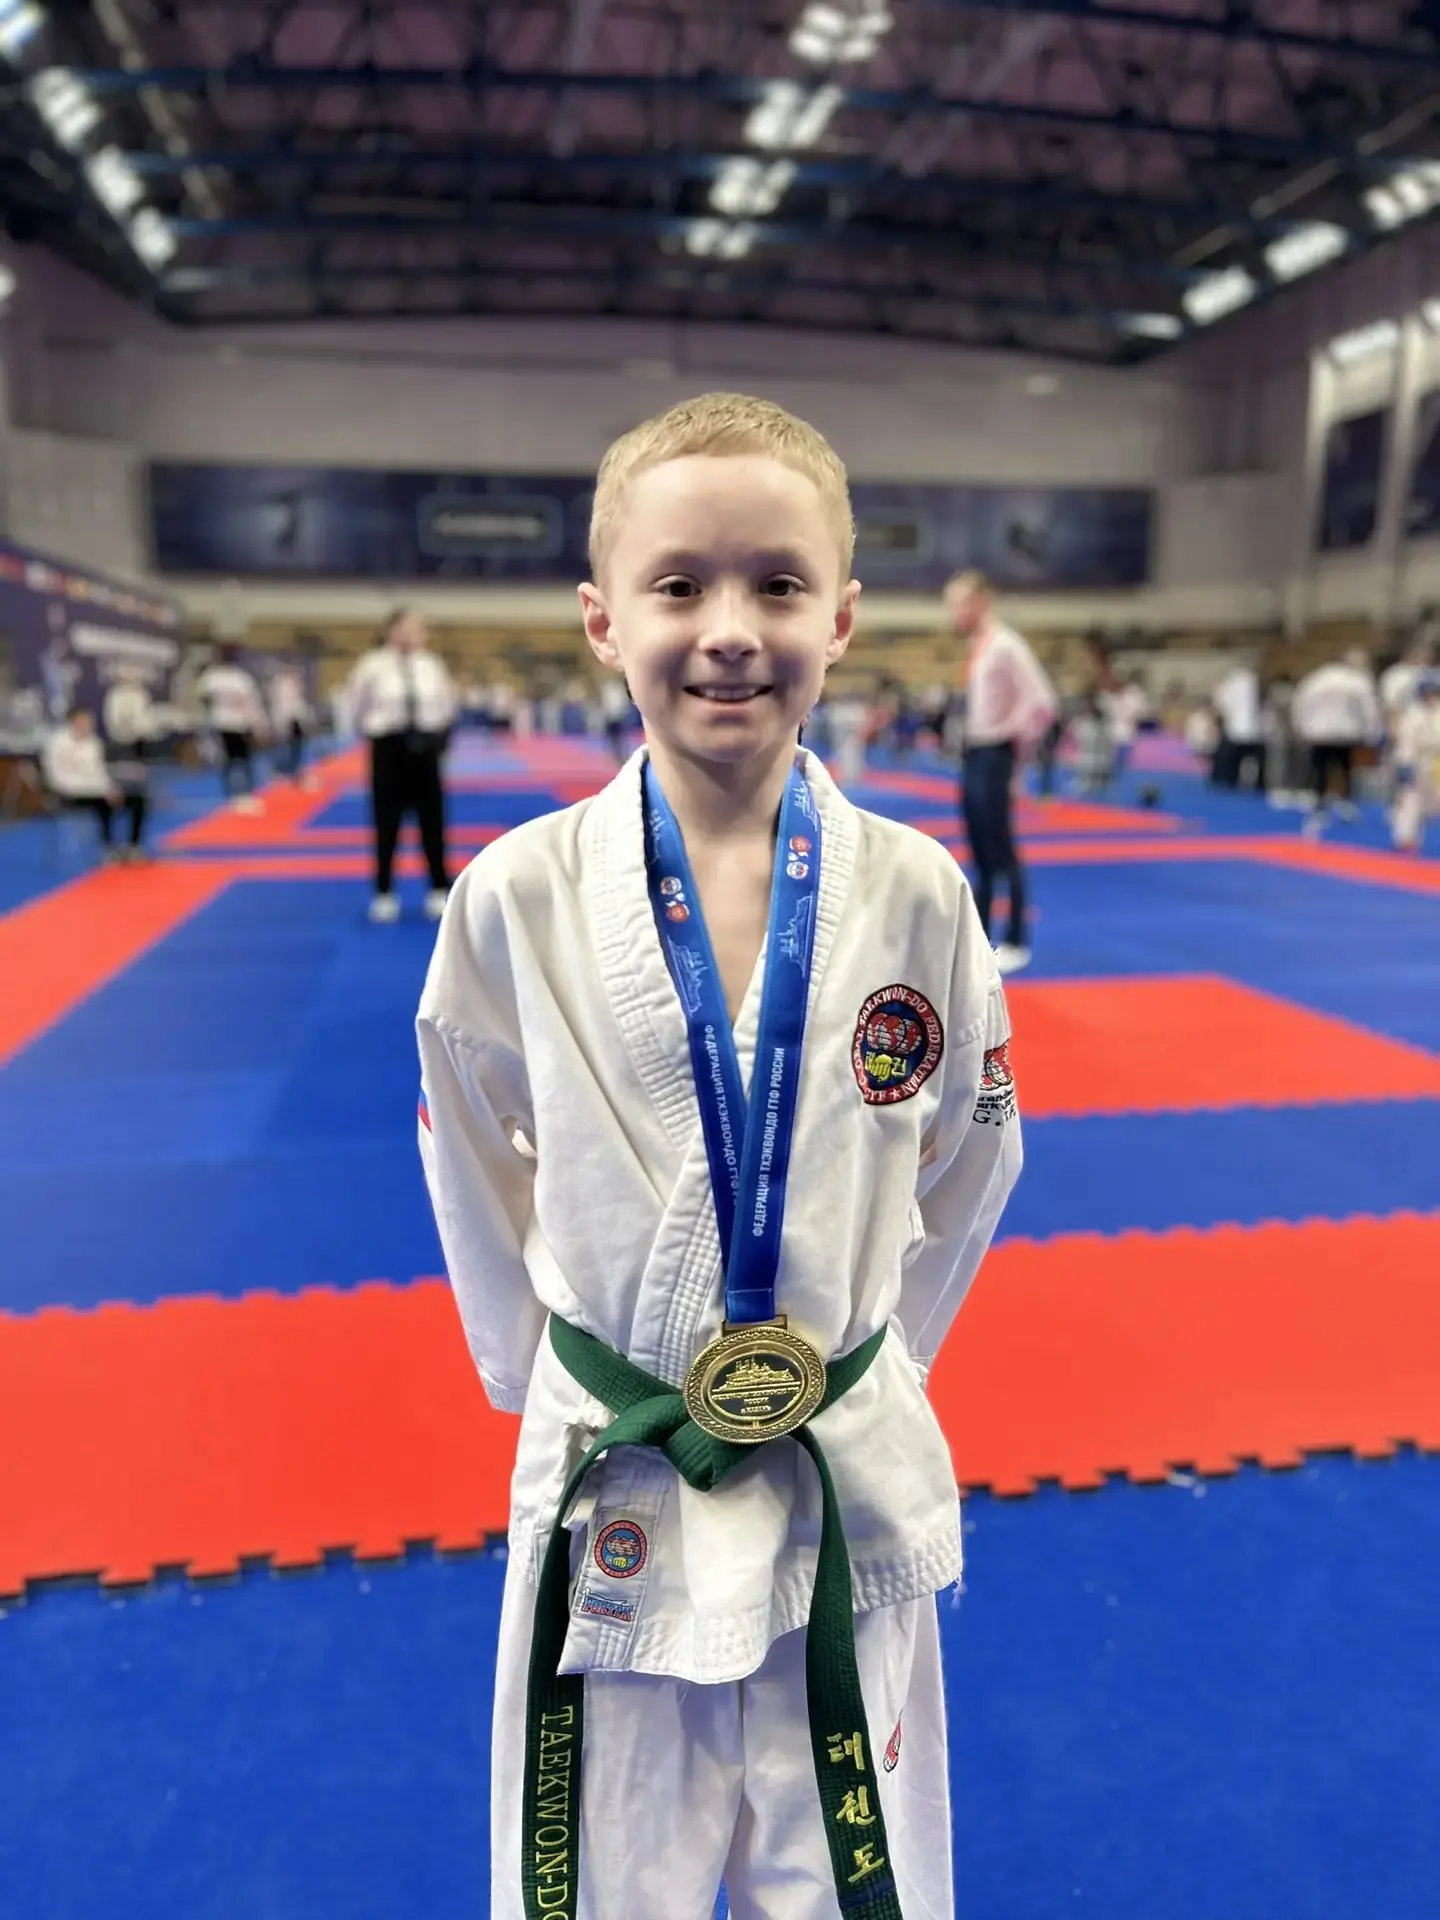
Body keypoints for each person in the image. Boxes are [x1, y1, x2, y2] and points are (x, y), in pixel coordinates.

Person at [416, 392, 1022, 1920]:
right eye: (680, 584)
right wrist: (533, 1369)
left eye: (779, 584)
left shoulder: (917, 893)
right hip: (621, 1463)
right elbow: (467, 1145)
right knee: (605, 1881)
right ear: (603, 621)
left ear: (844, 617)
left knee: (857, 1873)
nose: (731, 630)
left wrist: (876, 1357)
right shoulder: (516, 895)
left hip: (838, 1460)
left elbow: (975, 1149)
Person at [947, 569, 1057, 975]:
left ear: (980, 602)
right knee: (979, 849)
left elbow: (1042, 703)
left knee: (1001, 846)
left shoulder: (1006, 645)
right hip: (976, 751)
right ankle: (980, 938)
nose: (953, 613)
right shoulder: (979, 648)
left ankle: (1015, 938)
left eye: (958, 604)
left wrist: (1016, 751)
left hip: (996, 750)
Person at [345, 607, 457, 922]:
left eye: (416, 628)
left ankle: (438, 887)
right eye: (403, 628)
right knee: (387, 821)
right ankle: (384, 892)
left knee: (432, 820)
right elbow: (355, 707)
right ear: (390, 631)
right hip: (389, 747)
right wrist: (370, 735)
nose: (410, 634)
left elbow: (446, 705)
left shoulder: (431, 664)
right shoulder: (372, 665)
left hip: (426, 746)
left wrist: (439, 739)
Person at [1293, 645, 1383, 837]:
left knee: (1320, 770)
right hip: (1346, 732)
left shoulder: (1316, 678)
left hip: (1318, 733)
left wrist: (1302, 728)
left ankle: (1319, 805)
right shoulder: (1357, 681)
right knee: (1345, 768)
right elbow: (1369, 708)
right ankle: (1345, 803)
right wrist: (1371, 732)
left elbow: (1300, 703)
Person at [41, 708, 148, 860]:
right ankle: (108, 847)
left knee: (137, 799)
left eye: (90, 722)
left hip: (96, 790)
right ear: (73, 722)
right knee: (104, 804)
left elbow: (99, 772)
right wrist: (96, 791)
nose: (88, 725)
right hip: (69, 792)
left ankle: (133, 846)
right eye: (84, 722)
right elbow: (57, 777)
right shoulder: (58, 743)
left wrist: (110, 789)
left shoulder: (94, 742)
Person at [197, 643, 268, 811]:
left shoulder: (213, 677)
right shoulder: (238, 678)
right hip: (231, 723)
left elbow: (203, 699)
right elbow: (252, 704)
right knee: (238, 760)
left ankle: (235, 793)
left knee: (233, 760)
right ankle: (239, 793)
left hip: (227, 723)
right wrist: (258, 725)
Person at [1390, 672, 1440, 852]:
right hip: (1418, 762)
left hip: (1437, 763)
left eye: (1434, 691)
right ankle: (1405, 838)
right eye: (1428, 691)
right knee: (1410, 800)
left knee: (1434, 803)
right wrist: (1406, 763)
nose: (1431, 695)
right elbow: (1406, 741)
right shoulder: (1412, 715)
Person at [1211, 654, 1265, 790]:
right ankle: (1257, 782)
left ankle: (1227, 779)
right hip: (1251, 728)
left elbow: (1220, 702)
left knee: (1232, 757)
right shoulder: (1253, 681)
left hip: (1235, 727)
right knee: (1251, 757)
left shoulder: (1231, 682)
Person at [268, 663, 315, 786]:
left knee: (297, 748)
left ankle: (296, 773)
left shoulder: (297, 686)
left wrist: (306, 719)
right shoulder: (281, 685)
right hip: (286, 720)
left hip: (297, 721)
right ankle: (279, 771)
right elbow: (281, 706)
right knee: (284, 748)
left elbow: (300, 705)